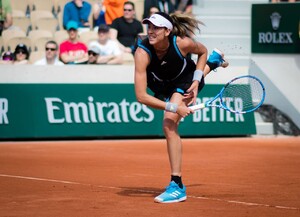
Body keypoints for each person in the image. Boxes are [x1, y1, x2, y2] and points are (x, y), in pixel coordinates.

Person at [134, 12, 228, 203]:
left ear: (167, 31)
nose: (150, 32)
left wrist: (195, 81)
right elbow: (141, 96)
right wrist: (176, 107)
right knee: (172, 111)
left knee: (168, 124)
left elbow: (202, 51)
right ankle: (215, 62)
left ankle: (177, 185)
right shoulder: (141, 52)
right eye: (149, 27)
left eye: (156, 28)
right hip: (161, 83)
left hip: (184, 80)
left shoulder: (182, 43)